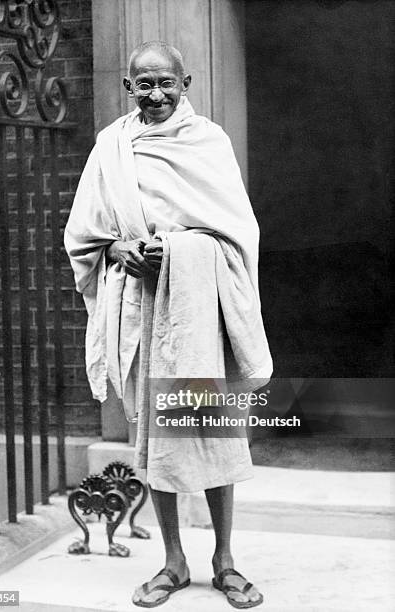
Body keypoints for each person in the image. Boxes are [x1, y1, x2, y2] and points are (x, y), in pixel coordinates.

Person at [64, 41, 272, 609]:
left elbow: (237, 235)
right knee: (155, 438)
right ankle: (174, 562)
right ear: (128, 88)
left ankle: (225, 561)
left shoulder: (209, 142)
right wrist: (118, 249)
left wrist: (180, 252)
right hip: (143, 309)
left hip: (202, 309)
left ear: (186, 82)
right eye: (144, 85)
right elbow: (84, 234)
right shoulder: (111, 146)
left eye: (166, 83)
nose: (155, 95)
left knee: (213, 431)